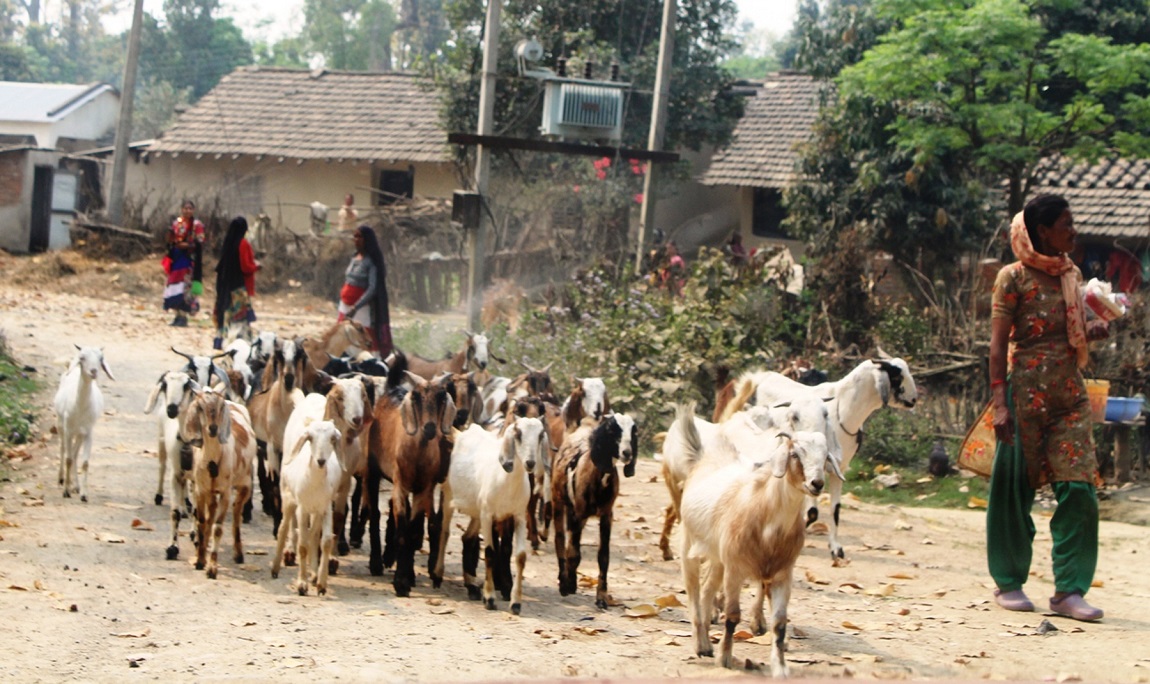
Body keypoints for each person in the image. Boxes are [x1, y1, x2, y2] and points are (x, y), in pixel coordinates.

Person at [987, 194, 1110, 622]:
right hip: (1024, 397)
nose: (1074, 232)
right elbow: (999, 345)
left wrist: (1093, 329)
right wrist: (1000, 404)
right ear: (1042, 232)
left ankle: (1069, 590)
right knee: (1012, 490)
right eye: (1066, 224)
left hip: (1069, 397)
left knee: (1080, 489)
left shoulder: (1071, 275)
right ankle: (1009, 581)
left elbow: (1069, 333)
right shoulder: (1012, 278)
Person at [338, 225, 392, 355]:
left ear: (367, 239)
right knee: (343, 334)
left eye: (359, 236)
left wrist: (356, 307)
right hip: (345, 306)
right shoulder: (354, 257)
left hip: (360, 308)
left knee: (362, 336)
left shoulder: (371, 262)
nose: (356, 239)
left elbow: (373, 288)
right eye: (355, 236)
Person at [212, 216, 260, 350]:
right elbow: (245, 267)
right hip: (238, 288)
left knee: (226, 316)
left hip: (225, 287)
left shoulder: (227, 244)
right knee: (241, 320)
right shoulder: (243, 244)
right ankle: (240, 345)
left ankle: (222, 342)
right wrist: (256, 266)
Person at [164, 200, 205, 327]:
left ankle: (183, 315)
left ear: (193, 210)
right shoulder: (177, 223)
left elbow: (200, 241)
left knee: (185, 288)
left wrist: (187, 245)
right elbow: (170, 240)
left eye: (190, 208)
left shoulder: (197, 225)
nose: (187, 211)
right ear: (181, 209)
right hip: (176, 259)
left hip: (188, 261)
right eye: (185, 208)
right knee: (174, 286)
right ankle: (177, 315)